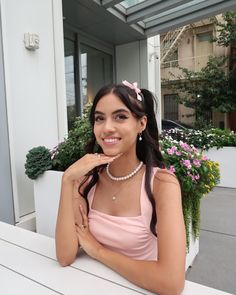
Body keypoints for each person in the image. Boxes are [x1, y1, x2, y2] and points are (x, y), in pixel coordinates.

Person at [55, 81, 186, 295]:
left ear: (141, 123)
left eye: (120, 116)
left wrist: (98, 251)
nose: (107, 128)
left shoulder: (162, 185)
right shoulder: (88, 182)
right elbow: (64, 256)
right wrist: (67, 180)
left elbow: (171, 283)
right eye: (99, 118)